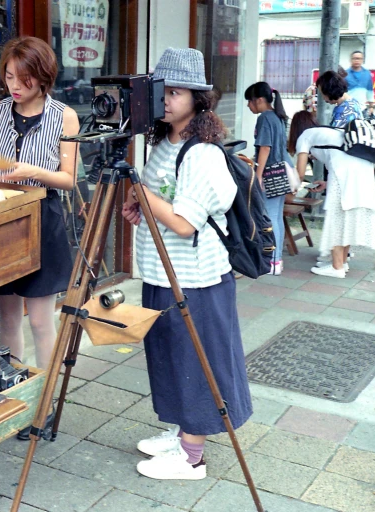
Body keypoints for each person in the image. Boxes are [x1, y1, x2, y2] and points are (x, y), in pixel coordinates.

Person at [121, 48, 252, 481]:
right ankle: (181, 432)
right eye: (162, 90)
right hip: (162, 271)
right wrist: (139, 206)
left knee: (197, 360)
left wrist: (143, 196)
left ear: (198, 98)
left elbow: (181, 221)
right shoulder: (164, 143)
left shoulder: (204, 154)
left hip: (195, 278)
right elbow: (159, 199)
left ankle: (192, 455)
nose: (166, 100)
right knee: (170, 355)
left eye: (175, 92)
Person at [0, 36, 78, 439]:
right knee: (8, 316)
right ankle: (14, 396)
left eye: (24, 79)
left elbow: (68, 178)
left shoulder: (64, 116)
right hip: (2, 216)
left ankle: (43, 404)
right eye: (10, 76)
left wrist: (30, 169)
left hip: (42, 216)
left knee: (42, 319)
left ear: (43, 78)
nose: (15, 85)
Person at [288, 111, 375, 278]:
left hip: (344, 174)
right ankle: (341, 263)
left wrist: (290, 187)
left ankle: (336, 268)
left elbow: (299, 174)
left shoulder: (305, 136)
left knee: (337, 218)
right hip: (363, 173)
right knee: (347, 218)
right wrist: (327, 183)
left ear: (295, 128)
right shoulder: (328, 131)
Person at [244, 81, 292, 276]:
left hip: (270, 174)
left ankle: (272, 261)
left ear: (260, 100)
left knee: (269, 218)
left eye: (250, 101)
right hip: (281, 173)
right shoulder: (278, 117)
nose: (248, 106)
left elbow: (265, 148)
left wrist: (258, 175)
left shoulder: (265, 118)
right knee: (276, 217)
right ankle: (277, 260)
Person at [345, 50, 375, 117]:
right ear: (350, 60)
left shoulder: (367, 74)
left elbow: (370, 91)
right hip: (347, 109)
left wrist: (371, 107)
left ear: (362, 60)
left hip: (362, 109)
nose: (357, 60)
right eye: (354, 58)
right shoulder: (345, 74)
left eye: (359, 58)